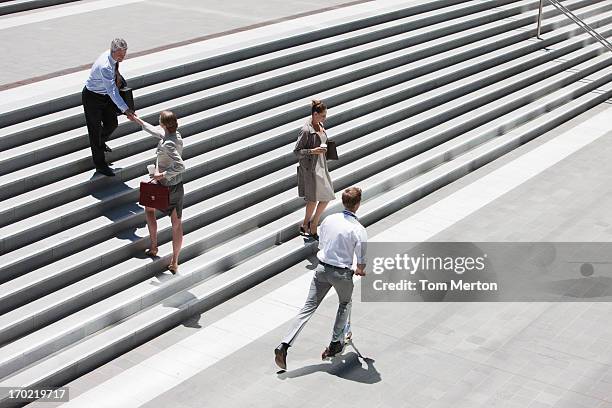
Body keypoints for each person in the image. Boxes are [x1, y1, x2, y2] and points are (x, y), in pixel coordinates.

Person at [275, 187, 367, 370]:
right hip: (341, 273)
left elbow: (323, 243)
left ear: (343, 202)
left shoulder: (329, 219)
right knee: (344, 304)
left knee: (307, 308)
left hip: (322, 269)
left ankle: (284, 344)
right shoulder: (358, 229)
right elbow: (362, 260)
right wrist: (359, 269)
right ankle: (335, 343)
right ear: (358, 204)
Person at [131, 111, 185, 274]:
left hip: (165, 185)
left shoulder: (168, 143)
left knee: (150, 210)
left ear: (163, 124)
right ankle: (174, 261)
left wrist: (160, 175)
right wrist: (136, 119)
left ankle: (154, 246)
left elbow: (180, 166)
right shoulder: (175, 135)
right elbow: (153, 130)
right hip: (177, 186)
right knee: (176, 223)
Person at [82, 38, 135, 177]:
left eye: (124, 54)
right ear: (113, 51)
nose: (122, 58)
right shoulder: (105, 65)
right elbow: (112, 90)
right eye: (120, 55)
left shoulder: (112, 57)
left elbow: (114, 82)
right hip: (92, 97)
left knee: (112, 124)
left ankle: (100, 142)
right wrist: (125, 109)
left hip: (104, 95)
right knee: (95, 131)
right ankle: (100, 165)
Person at [294, 100, 335, 240]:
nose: (325, 118)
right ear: (315, 114)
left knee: (327, 196)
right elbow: (297, 151)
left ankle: (313, 222)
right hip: (311, 168)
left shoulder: (320, 124)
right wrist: (313, 151)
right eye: (323, 115)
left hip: (321, 165)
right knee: (313, 199)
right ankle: (306, 224)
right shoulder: (306, 130)